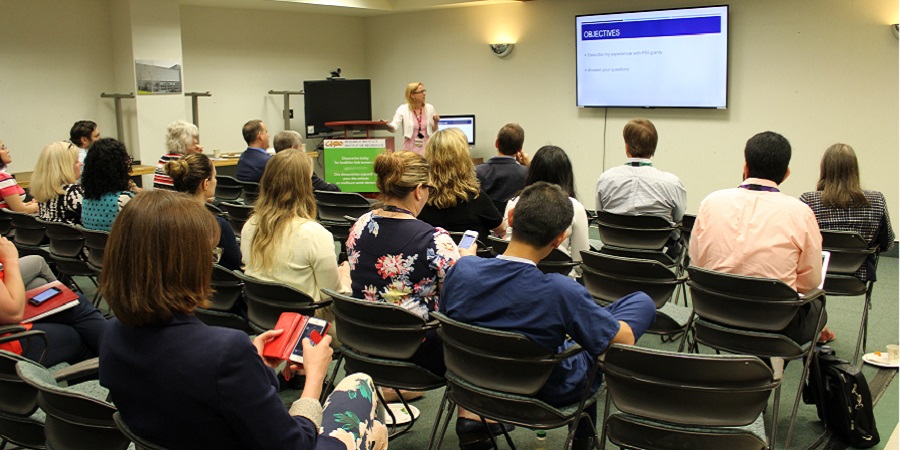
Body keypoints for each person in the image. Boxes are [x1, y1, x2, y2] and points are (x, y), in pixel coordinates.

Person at [98, 190, 387, 450]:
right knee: (361, 389)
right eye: (210, 255)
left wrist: (256, 368)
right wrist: (314, 378)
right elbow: (295, 444)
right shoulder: (224, 351)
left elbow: (210, 401)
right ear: (186, 265)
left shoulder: (113, 335)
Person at [440, 182, 656, 450]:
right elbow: (622, 339)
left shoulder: (462, 269)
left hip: (471, 382)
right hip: (543, 391)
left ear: (509, 219)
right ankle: (582, 439)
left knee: (583, 326)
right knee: (638, 304)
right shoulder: (560, 290)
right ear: (560, 239)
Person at [691, 131, 824, 345]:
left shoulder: (710, 203)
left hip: (712, 314)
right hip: (776, 322)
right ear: (786, 173)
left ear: (745, 167)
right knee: (818, 308)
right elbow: (810, 282)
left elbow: (697, 263)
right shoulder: (800, 213)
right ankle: (773, 368)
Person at [241, 149, 349, 340]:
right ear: (305, 187)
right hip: (309, 327)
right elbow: (332, 302)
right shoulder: (315, 234)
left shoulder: (249, 226)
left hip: (264, 320)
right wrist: (346, 278)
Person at [800, 143, 894, 343]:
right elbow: (887, 244)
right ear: (855, 170)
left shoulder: (808, 201)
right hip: (856, 279)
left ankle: (815, 326)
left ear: (824, 169)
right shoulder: (876, 200)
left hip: (815, 280)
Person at [0, 239, 107, 367]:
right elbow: (13, 314)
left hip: (7, 318)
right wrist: (10, 260)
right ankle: (122, 357)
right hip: (7, 343)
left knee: (74, 301)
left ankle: (120, 355)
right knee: (77, 336)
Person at [595, 118, 686, 255]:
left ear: (626, 147)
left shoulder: (605, 179)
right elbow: (679, 221)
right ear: (654, 147)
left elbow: (600, 216)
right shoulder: (672, 184)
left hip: (614, 258)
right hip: (658, 260)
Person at [503, 146, 589, 272]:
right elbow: (580, 263)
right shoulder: (575, 208)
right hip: (561, 282)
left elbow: (508, 245)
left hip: (515, 275)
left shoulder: (514, 203)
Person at [418, 128, 505, 239]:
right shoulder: (476, 197)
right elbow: (501, 229)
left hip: (433, 255)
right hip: (473, 254)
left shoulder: (420, 198)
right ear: (463, 159)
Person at [165, 153, 241, 271]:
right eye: (214, 177)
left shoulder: (165, 218)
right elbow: (239, 263)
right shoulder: (217, 225)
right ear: (205, 183)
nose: (215, 181)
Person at [81, 138, 136, 231]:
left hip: (94, 245)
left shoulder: (85, 199)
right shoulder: (124, 199)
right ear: (118, 167)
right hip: (119, 245)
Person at [475, 123, 529, 212]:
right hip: (514, 223)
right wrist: (528, 166)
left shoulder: (477, 172)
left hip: (487, 225)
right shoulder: (527, 174)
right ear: (520, 149)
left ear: (496, 143)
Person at [31, 141, 84, 225]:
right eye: (76, 161)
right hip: (75, 236)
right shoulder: (72, 192)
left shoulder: (43, 191)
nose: (81, 163)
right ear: (65, 167)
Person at [272, 130, 339, 192]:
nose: (303, 149)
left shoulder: (270, 167)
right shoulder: (301, 168)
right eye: (301, 146)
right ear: (293, 149)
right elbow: (329, 189)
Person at [386, 82, 439, 155]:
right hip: (409, 148)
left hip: (426, 147)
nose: (424, 93)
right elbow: (394, 127)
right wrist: (385, 125)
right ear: (413, 95)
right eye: (421, 92)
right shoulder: (403, 109)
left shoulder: (430, 108)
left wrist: (436, 122)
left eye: (424, 91)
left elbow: (434, 130)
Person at [154, 120, 203, 190]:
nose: (196, 141)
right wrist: (199, 158)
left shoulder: (163, 158)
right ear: (185, 140)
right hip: (178, 200)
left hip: (161, 200)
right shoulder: (186, 162)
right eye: (194, 137)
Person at [0, 139, 38, 214]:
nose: (7, 151)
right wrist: (39, 205)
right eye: (2, 148)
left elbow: (7, 205)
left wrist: (28, 205)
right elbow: (20, 210)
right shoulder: (3, 178)